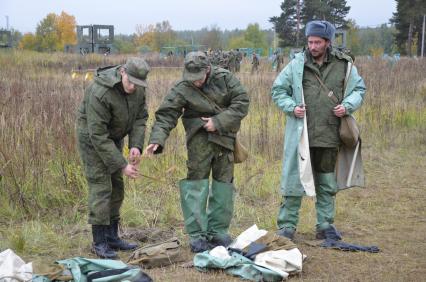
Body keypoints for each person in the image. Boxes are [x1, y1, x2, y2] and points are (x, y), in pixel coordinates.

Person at [144, 51, 249, 253]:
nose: (195, 83)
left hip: (225, 137)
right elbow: (167, 114)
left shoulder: (225, 78)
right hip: (198, 139)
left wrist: (218, 122)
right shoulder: (182, 87)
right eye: (191, 78)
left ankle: (218, 231)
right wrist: (157, 140)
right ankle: (197, 235)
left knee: (223, 184)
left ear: (207, 69)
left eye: (199, 78)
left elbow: (242, 102)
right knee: (196, 185)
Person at [270, 20, 366, 241]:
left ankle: (325, 225)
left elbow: (359, 89)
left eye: (317, 42)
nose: (312, 46)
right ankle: (287, 227)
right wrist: (291, 107)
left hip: (330, 135)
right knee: (294, 181)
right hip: (301, 136)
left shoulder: (345, 65)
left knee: (327, 182)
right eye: (310, 41)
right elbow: (277, 90)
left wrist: (348, 105)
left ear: (328, 42)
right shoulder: (296, 64)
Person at [76, 57, 150, 258]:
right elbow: (97, 135)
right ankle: (99, 242)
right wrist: (121, 164)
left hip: (115, 137)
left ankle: (112, 237)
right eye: (130, 82)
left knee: (117, 185)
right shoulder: (100, 91)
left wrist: (135, 145)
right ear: (122, 72)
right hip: (93, 140)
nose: (134, 87)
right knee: (102, 187)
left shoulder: (139, 87)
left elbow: (141, 117)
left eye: (138, 84)